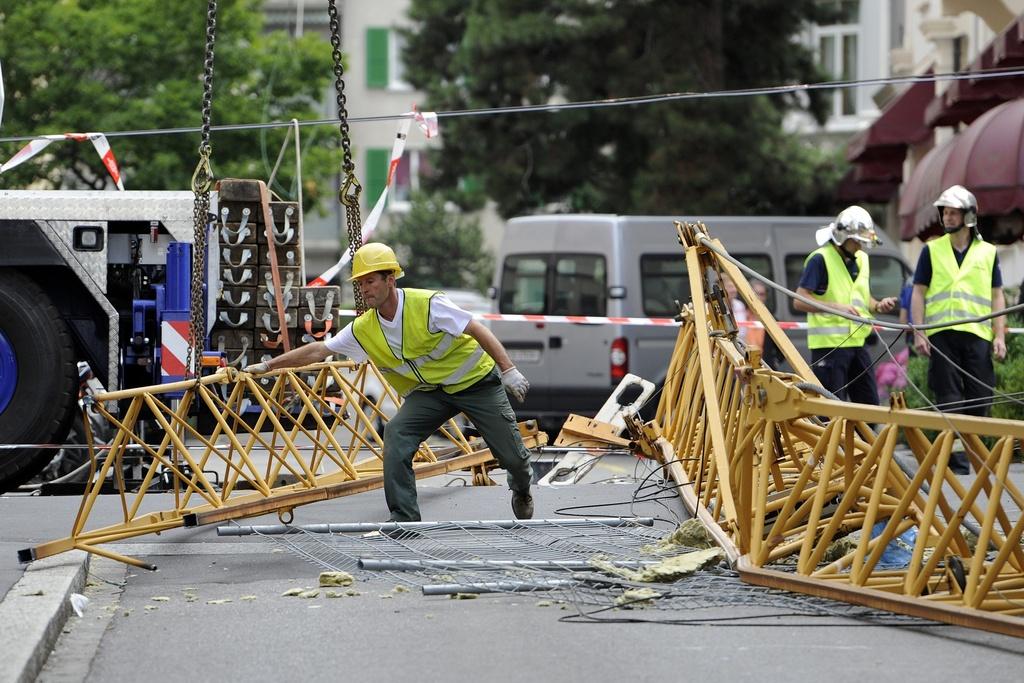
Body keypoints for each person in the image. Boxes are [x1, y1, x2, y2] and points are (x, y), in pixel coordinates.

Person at [244, 243, 535, 522]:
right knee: (396, 433)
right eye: (361, 284)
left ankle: (521, 488)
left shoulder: (427, 304)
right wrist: (270, 364)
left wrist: (508, 370)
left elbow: (476, 328)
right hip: (431, 393)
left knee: (513, 457)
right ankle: (404, 518)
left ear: (390, 280)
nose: (365, 289)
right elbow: (320, 350)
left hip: (475, 384)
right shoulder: (364, 327)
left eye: (370, 281)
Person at [910, 185, 1006, 473]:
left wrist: (999, 334)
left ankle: (975, 453)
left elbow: (997, 294)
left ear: (969, 216)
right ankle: (956, 462)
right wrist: (919, 331)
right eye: (945, 212)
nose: (948, 217)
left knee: (981, 395)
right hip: (942, 333)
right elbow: (918, 292)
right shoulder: (932, 250)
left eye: (954, 213)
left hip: (977, 334)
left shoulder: (988, 252)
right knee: (948, 397)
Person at [794, 206, 898, 404]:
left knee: (869, 407)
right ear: (843, 238)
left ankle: (863, 436)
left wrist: (878, 306)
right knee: (833, 410)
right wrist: (836, 308)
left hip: (858, 343)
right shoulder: (820, 259)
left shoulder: (862, 259)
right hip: (829, 347)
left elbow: (862, 298)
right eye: (858, 242)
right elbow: (799, 300)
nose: (861, 246)